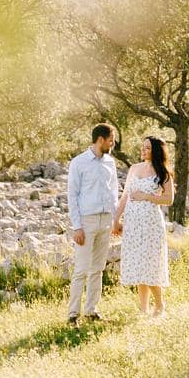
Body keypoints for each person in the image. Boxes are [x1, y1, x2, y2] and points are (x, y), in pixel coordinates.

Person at [112, 135, 175, 316]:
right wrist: (117, 219)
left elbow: (169, 199)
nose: (143, 150)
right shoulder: (134, 168)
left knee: (150, 263)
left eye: (147, 148)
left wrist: (147, 196)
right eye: (143, 147)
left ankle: (160, 305)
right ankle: (144, 308)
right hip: (132, 223)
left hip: (151, 224)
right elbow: (125, 196)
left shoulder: (162, 171)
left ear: (155, 151)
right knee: (138, 263)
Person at [66, 123, 119, 324]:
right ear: (100, 140)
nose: (113, 143)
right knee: (81, 269)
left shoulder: (110, 163)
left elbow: (114, 193)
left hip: (105, 220)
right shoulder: (78, 163)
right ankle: (73, 315)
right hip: (86, 222)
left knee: (98, 268)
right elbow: (72, 195)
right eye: (111, 139)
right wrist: (77, 226)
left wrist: (116, 219)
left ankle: (91, 311)